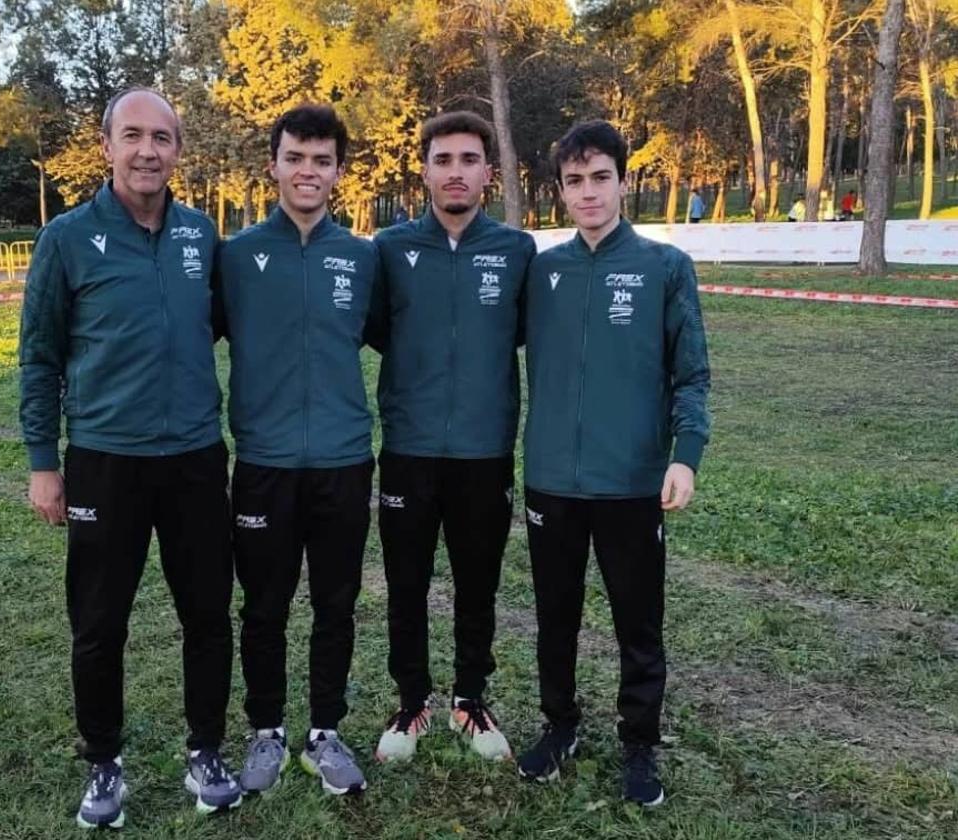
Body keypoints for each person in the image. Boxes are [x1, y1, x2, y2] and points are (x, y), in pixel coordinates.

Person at [18, 87, 239, 828]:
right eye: (134, 136)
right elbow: (39, 356)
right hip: (104, 464)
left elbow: (216, 326)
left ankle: (205, 750)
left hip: (197, 461)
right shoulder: (68, 238)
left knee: (208, 614)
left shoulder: (200, 234)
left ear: (179, 151)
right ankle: (104, 762)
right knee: (99, 622)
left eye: (163, 138)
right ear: (107, 145)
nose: (149, 151)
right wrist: (43, 462)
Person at [517, 120, 710, 808]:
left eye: (601, 178)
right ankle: (560, 725)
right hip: (550, 481)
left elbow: (692, 375)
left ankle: (639, 744)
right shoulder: (542, 271)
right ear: (561, 190)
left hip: (632, 483)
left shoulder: (664, 267)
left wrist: (684, 457)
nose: (589, 192)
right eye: (575, 181)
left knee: (637, 621)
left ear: (624, 182)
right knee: (555, 616)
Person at [365, 111, 536, 765]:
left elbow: (517, 333)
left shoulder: (515, 251)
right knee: (405, 584)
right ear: (426, 171)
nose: (455, 171)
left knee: (477, 582)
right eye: (443, 160)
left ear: (488, 173)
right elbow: (382, 329)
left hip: (484, 451)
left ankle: (470, 698)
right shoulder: (391, 248)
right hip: (409, 448)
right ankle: (411, 704)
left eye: (469, 159)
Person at [216, 103, 377, 797]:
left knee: (336, 603)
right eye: (295, 158)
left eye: (321, 160)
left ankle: (325, 732)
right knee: (265, 605)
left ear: (339, 171)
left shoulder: (364, 258)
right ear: (274, 165)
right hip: (264, 464)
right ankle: (266, 731)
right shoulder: (236, 256)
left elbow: (390, 340)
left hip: (343, 462)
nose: (307, 171)